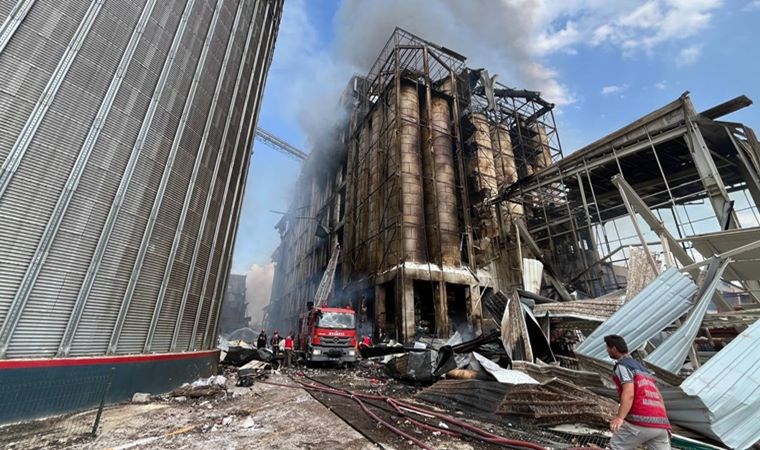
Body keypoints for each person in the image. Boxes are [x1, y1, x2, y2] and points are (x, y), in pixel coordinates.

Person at [604, 335, 671, 450]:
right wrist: (666, 423)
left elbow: (629, 392)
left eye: (608, 348)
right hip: (661, 424)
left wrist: (620, 418)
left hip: (641, 421)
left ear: (614, 349)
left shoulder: (623, 366)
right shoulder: (644, 369)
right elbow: (658, 396)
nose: (607, 350)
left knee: (616, 447)